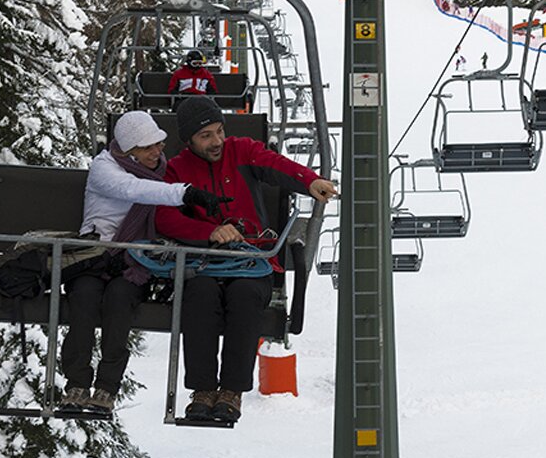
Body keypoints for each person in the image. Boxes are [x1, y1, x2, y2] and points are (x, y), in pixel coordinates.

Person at [157, 97, 340, 422]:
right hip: (205, 262)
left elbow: (276, 165)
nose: (216, 141)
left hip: (252, 259)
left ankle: (231, 391)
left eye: (219, 131)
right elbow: (164, 218)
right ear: (189, 141)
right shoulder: (178, 170)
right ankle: (202, 389)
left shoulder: (241, 151)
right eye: (206, 136)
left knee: (244, 295)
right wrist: (209, 232)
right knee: (199, 295)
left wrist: (309, 180)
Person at [61, 112, 228, 413]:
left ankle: (106, 387)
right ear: (128, 151)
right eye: (146, 148)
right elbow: (132, 189)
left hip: (133, 262)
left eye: (159, 144)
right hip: (94, 258)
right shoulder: (104, 168)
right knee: (84, 297)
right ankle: (77, 382)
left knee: (119, 299)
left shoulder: (161, 169)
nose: (156, 152)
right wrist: (186, 193)